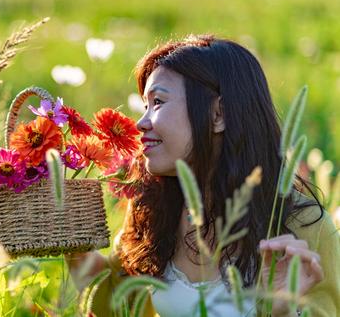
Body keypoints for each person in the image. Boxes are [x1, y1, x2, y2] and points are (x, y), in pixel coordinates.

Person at [65, 34, 339, 317]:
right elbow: (115, 304)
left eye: (157, 102)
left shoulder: (303, 228)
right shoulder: (153, 209)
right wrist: (69, 235)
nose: (140, 122)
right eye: (144, 105)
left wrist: (282, 312)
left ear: (218, 114)